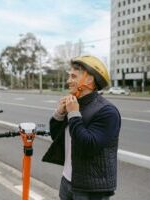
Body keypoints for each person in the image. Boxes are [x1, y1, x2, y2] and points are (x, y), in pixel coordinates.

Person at [42, 55, 121, 200]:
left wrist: (73, 113)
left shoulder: (107, 111)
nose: (68, 81)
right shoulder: (75, 103)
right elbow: (57, 137)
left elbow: (88, 146)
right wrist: (59, 114)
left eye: (73, 76)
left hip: (91, 189)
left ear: (89, 79)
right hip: (68, 182)